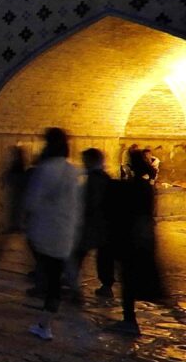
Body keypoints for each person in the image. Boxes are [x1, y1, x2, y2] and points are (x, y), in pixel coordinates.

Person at [23, 128, 83, 341]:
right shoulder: (72, 170)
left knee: (48, 278)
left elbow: (33, 201)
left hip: (45, 230)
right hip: (65, 232)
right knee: (54, 280)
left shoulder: (46, 169)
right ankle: (44, 323)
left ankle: (44, 324)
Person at [107, 149, 166, 335]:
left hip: (130, 239)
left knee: (128, 280)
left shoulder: (131, 187)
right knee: (133, 278)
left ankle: (129, 320)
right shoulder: (147, 187)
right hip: (143, 238)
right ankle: (130, 318)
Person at [68, 148, 113, 303]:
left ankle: (74, 288)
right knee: (104, 257)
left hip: (90, 225)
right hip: (105, 224)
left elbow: (89, 202)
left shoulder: (91, 179)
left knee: (77, 255)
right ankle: (107, 285)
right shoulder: (107, 178)